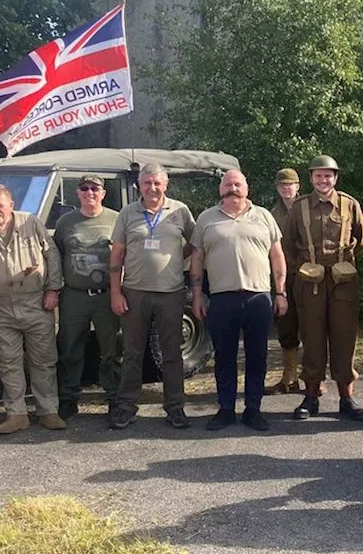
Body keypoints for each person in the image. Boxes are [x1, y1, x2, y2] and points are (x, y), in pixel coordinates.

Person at [190, 170, 289, 431]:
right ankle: (225, 410)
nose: (232, 188)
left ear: (247, 187)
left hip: (258, 297)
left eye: (237, 183)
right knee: (224, 356)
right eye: (228, 184)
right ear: (220, 188)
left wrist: (280, 292)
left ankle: (253, 409)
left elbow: (277, 256)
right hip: (222, 298)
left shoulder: (264, 216)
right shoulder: (206, 218)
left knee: (258, 355)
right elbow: (197, 259)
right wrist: (197, 294)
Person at [0, 185, 65, 435]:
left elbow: (51, 254)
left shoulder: (30, 224)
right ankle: (16, 413)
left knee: (43, 359)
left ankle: (48, 410)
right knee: (7, 361)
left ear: (11, 205)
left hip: (35, 301)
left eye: (0, 205)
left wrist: (53, 289)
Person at [109, 162, 197, 430]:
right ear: (139, 185)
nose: (152, 188)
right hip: (134, 292)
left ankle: (175, 408)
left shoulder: (180, 211)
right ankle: (126, 407)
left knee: (172, 354)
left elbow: (195, 243)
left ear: (166, 184)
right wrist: (115, 292)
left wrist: (173, 261)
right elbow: (116, 254)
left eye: (157, 182)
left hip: (170, 293)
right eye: (146, 183)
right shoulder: (127, 213)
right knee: (132, 353)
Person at [282, 155, 363, 422]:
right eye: (318, 176)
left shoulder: (349, 205)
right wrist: (306, 266)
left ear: (336, 178)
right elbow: (288, 244)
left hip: (343, 283)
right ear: (311, 179)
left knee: (345, 339)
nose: (323, 180)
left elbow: (362, 241)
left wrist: (341, 263)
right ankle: (311, 396)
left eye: (328, 176)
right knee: (312, 338)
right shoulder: (299, 207)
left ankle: (347, 397)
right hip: (310, 283)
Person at [54, 174, 122, 421]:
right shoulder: (66, 222)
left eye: (95, 188)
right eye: (84, 188)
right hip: (75, 295)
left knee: (111, 348)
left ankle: (114, 398)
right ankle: (69, 399)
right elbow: (56, 257)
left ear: (103, 192)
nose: (89, 192)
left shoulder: (116, 219)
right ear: (78, 193)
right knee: (70, 348)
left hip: (107, 294)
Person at [267, 167, 308, 395]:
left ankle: (313, 378)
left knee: (312, 328)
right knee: (286, 326)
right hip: (284, 277)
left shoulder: (309, 208)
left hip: (309, 276)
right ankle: (289, 378)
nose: (286, 188)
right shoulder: (273, 214)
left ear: (298, 186)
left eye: (290, 184)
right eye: (282, 185)